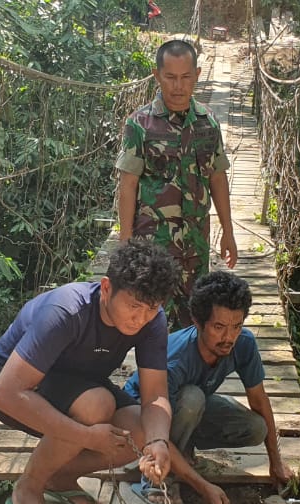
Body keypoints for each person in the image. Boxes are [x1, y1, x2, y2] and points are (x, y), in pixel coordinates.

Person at [0, 240, 181, 504]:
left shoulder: (152, 321)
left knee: (140, 433)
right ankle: (29, 487)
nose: (140, 318)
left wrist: (159, 442)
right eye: (133, 306)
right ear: (106, 288)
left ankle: (59, 478)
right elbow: (5, 394)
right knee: (96, 407)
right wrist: (86, 436)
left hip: (80, 381)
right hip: (15, 385)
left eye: (151, 308)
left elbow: (155, 394)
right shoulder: (67, 310)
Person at [123, 271, 294, 504]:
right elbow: (150, 421)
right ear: (197, 322)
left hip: (183, 410)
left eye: (237, 326)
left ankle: (183, 454)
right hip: (141, 423)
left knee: (256, 428)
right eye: (219, 327)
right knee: (193, 398)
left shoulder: (243, 343)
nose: (229, 337)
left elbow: (259, 400)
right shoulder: (175, 361)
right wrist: (203, 486)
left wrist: (276, 462)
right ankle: (156, 479)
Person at [116, 39, 237, 326]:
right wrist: (124, 243)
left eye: (185, 77)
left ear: (197, 74)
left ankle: (186, 373)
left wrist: (228, 232)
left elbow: (217, 178)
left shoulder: (208, 123)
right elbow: (128, 184)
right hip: (154, 246)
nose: (178, 86)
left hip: (196, 244)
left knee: (195, 322)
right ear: (157, 76)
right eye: (170, 77)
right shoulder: (139, 125)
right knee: (152, 321)